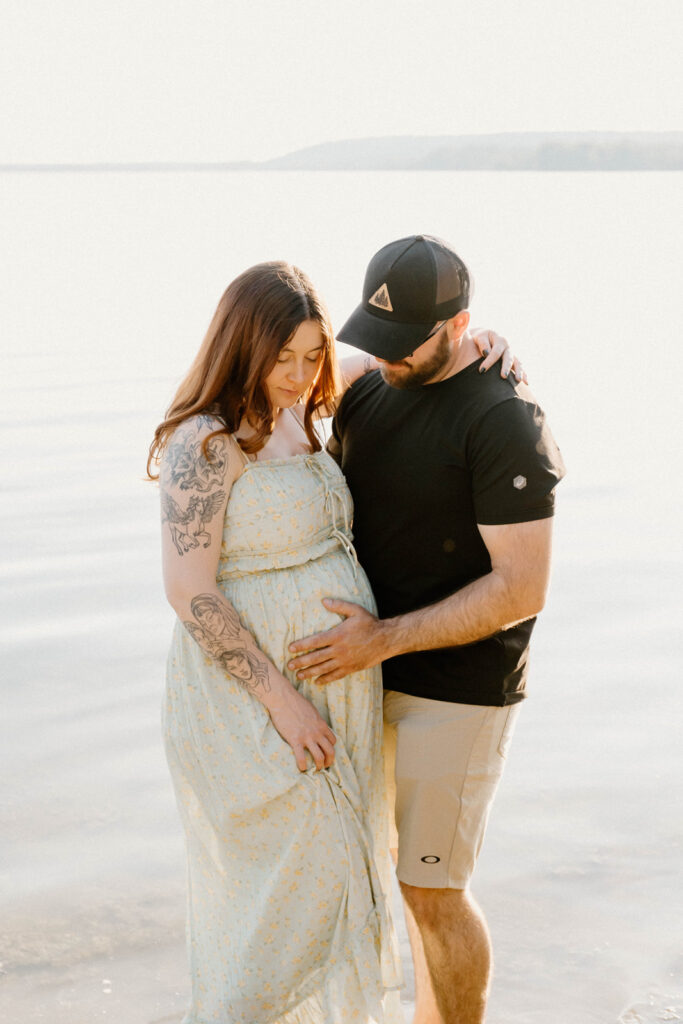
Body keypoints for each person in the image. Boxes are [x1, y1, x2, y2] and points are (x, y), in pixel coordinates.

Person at [147, 260, 517, 1024]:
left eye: (311, 354)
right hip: (255, 707)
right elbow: (190, 590)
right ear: (238, 345)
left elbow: (410, 357)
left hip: (333, 695)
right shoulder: (205, 442)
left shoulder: (304, 406)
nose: (298, 372)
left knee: (337, 887)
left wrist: (481, 337)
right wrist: (285, 707)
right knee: (278, 908)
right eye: (280, 356)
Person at [287, 235, 566, 1024]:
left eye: (405, 342)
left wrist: (385, 638)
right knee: (379, 875)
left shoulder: (503, 417)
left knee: (433, 888)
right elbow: (274, 396)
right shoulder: (370, 383)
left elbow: (522, 586)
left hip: (458, 687)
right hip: (365, 671)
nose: (388, 358)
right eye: (374, 338)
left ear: (460, 324)